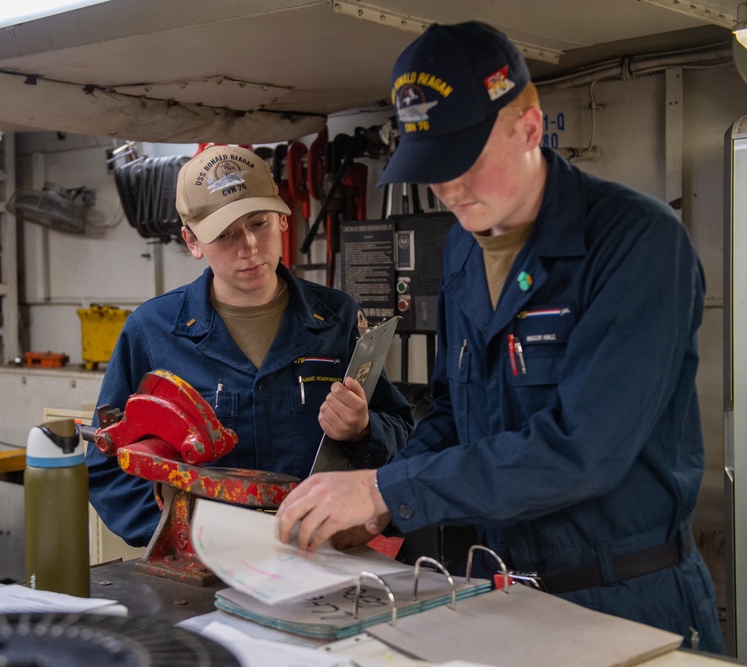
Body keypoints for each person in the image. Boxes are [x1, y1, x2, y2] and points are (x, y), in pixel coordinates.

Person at [275, 21, 723, 652]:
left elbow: (582, 450)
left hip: (622, 598)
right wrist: (381, 508)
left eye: (465, 162)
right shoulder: (462, 247)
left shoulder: (635, 243)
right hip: (500, 590)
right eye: (432, 167)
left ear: (530, 128)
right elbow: (454, 414)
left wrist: (384, 488)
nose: (449, 188)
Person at [86, 144, 416, 547]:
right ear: (192, 242)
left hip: (321, 556)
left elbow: (403, 435)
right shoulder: (153, 331)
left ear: (281, 218)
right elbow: (107, 465)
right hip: (206, 568)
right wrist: (183, 537)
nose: (249, 248)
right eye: (224, 235)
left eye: (258, 223)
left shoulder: (337, 319)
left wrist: (363, 431)